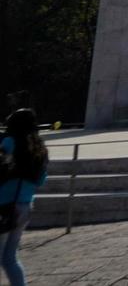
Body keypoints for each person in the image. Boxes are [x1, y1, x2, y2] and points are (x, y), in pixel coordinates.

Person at [0, 109, 46, 286]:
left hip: (4, 205)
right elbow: (41, 179)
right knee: (10, 258)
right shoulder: (39, 148)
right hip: (25, 206)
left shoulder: (10, 142)